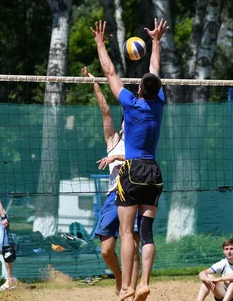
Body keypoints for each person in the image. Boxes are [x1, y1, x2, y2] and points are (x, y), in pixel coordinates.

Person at [92, 18, 169, 301]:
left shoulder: (131, 103)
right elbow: (154, 70)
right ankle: (144, 282)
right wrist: (156, 41)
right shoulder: (158, 104)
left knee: (126, 233)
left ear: (138, 90)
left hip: (132, 170)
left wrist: (101, 43)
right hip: (154, 171)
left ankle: (126, 286)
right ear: (156, 90)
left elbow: (110, 70)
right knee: (146, 232)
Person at [83, 66, 140, 296]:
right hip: (113, 196)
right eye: (126, 120)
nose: (128, 123)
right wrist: (94, 82)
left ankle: (132, 289)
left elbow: (141, 158)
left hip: (134, 194)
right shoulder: (114, 139)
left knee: (133, 244)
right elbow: (106, 111)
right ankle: (119, 277)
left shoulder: (140, 143)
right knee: (106, 250)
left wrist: (116, 157)